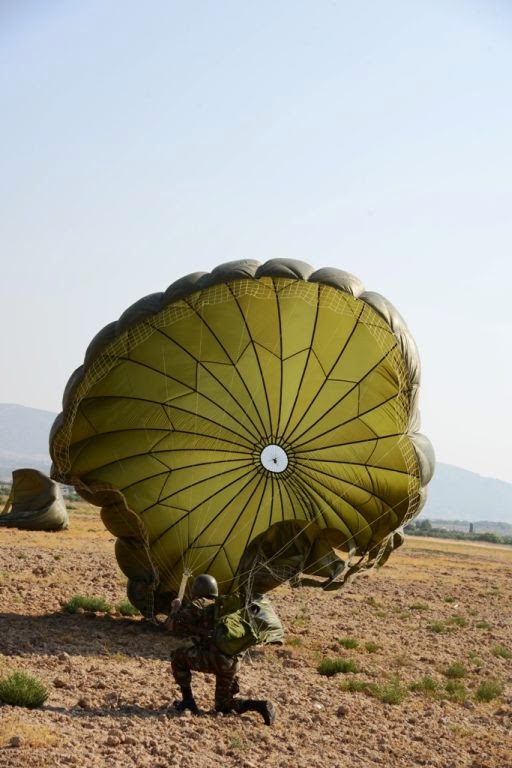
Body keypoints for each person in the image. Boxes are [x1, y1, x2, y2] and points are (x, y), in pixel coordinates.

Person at [166, 573, 276, 725]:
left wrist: (175, 609)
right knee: (223, 706)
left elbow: (172, 626)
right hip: (232, 662)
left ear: (197, 589)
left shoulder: (199, 604)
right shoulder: (226, 606)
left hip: (213, 659)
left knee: (178, 657)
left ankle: (188, 701)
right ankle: (259, 705)